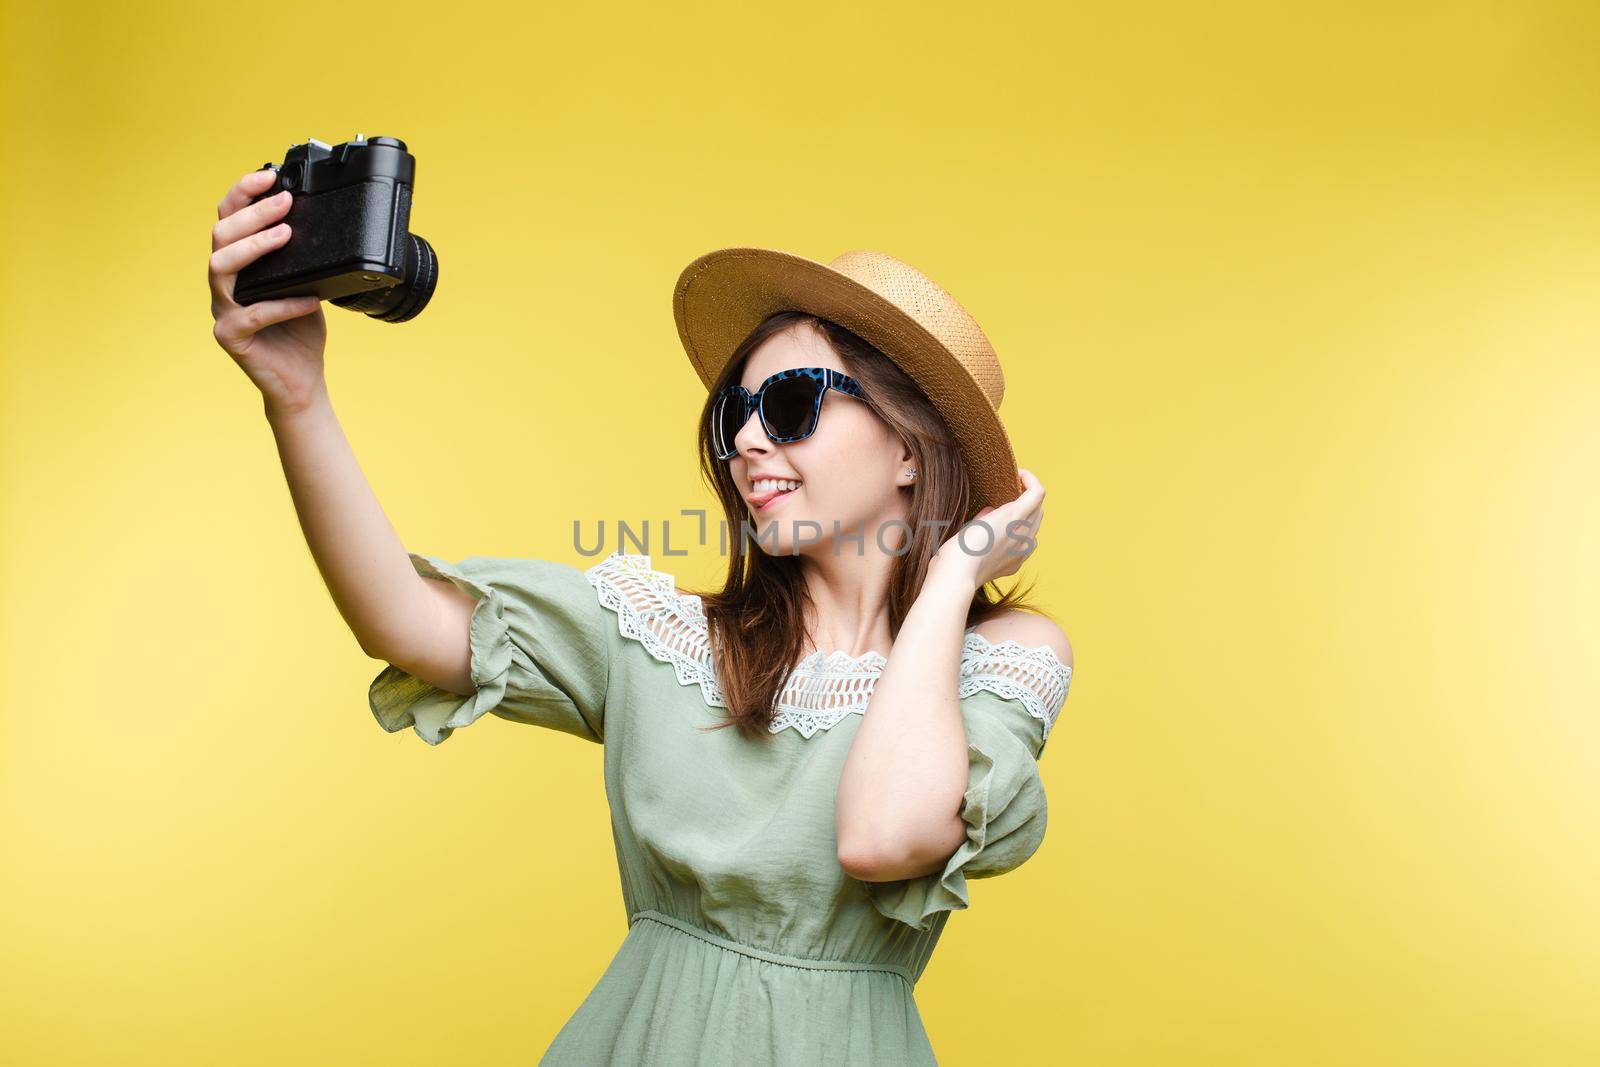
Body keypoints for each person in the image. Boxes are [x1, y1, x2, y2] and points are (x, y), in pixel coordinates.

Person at [208, 167, 1074, 1065]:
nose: (745, 441)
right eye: (736, 411)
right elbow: (400, 617)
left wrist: (952, 575)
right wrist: (295, 393)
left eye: (790, 405)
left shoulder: (1000, 660)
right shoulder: (666, 639)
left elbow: (882, 835)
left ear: (907, 443)